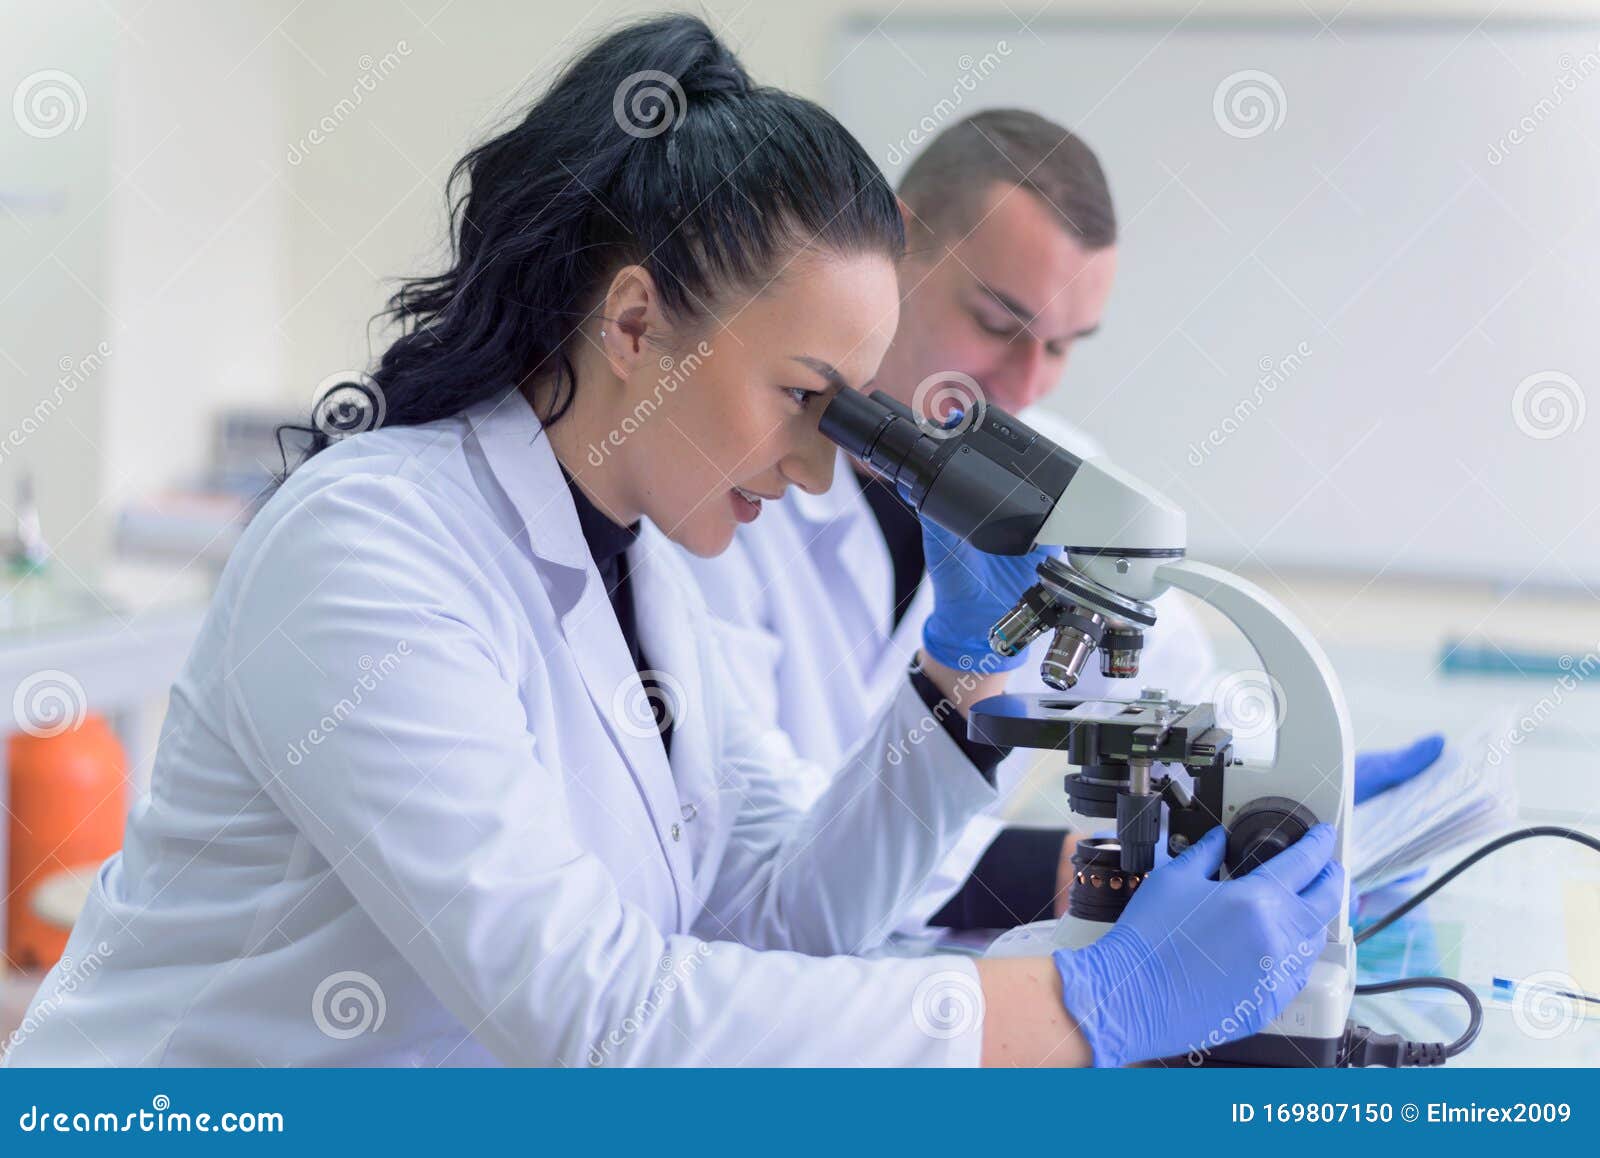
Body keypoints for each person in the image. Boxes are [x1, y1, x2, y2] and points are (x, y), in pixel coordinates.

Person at [2, 17, 1340, 1069]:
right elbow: (601, 1016)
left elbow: (771, 914)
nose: (824, 463)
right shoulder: (369, 551)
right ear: (635, 324)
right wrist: (1086, 1004)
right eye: (806, 397)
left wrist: (963, 688)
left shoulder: (644, 565)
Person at [682, 109, 1441, 933]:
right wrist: (1087, 876)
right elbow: (779, 859)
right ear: (893, 246)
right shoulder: (725, 487)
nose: (1028, 385)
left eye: (1063, 345)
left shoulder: (1063, 483)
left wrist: (1272, 795)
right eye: (999, 324)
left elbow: (1176, 688)